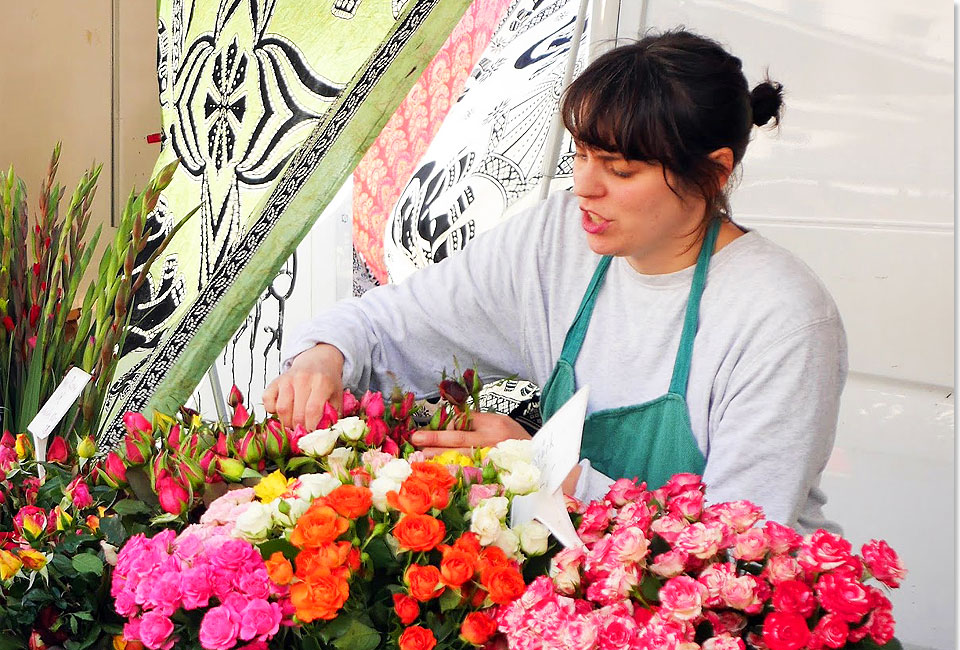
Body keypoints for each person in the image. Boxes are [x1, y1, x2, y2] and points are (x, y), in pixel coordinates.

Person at [266, 28, 847, 532]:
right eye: (581, 155)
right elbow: (395, 324)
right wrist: (326, 356)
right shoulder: (558, 238)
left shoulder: (781, 317)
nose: (587, 188)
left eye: (621, 169)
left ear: (715, 170)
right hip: (578, 602)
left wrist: (540, 468)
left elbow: (741, 542)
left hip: (736, 638)